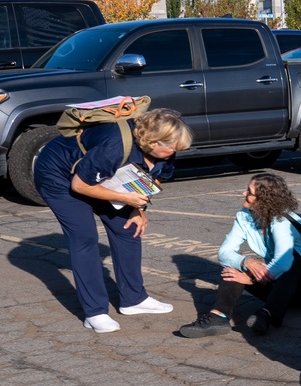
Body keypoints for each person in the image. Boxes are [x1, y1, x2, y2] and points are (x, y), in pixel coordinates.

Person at [34, 108, 194, 333]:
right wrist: (124, 198)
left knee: (129, 228)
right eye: (172, 147)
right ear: (153, 141)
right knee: (85, 237)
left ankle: (133, 299)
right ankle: (95, 312)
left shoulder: (166, 149)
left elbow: (153, 179)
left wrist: (138, 209)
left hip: (100, 178)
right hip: (59, 176)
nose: (176, 151)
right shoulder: (114, 147)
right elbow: (79, 186)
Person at [176, 173, 301, 338]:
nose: (244, 194)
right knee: (233, 267)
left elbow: (284, 262)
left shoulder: (284, 222)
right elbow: (224, 253)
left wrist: (251, 279)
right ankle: (218, 317)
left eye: (249, 192)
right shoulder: (244, 216)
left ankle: (267, 315)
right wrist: (246, 262)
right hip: (282, 288)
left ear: (265, 199)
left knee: (294, 260)